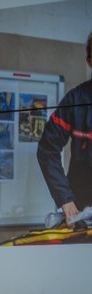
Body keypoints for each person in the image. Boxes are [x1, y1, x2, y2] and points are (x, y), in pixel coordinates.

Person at [37, 30, 92, 228]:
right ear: (89, 61)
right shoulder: (74, 101)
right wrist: (65, 199)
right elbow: (47, 149)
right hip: (80, 206)